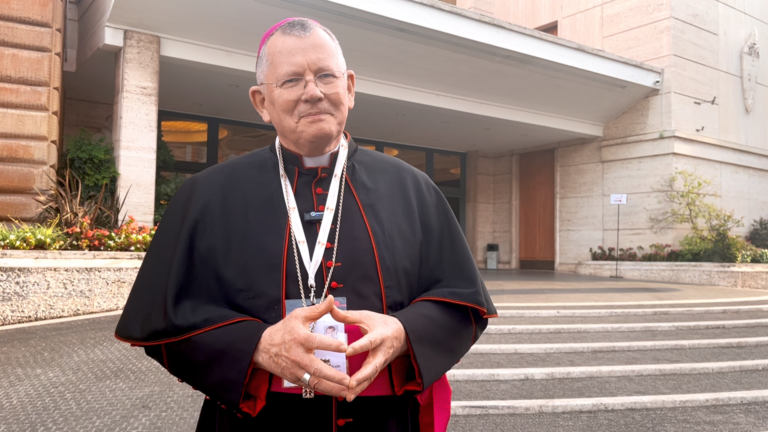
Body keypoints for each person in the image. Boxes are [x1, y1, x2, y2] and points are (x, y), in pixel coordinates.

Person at [115, 17, 495, 432]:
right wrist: (256, 345)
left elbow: (462, 302)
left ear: (349, 87)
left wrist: (405, 331)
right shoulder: (207, 195)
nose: (313, 92)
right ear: (261, 102)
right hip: (256, 421)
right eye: (292, 80)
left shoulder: (413, 188)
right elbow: (164, 317)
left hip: (383, 421)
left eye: (325, 76)